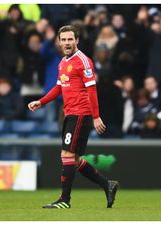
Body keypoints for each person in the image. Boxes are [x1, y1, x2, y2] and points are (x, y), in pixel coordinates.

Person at [28, 25, 119, 209]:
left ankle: (64, 200)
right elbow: (59, 87)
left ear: (77, 40)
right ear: (59, 42)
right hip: (69, 113)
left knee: (66, 155)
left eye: (70, 39)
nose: (67, 43)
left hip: (80, 113)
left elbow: (92, 90)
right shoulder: (63, 62)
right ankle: (107, 184)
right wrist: (42, 101)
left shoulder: (83, 61)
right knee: (74, 160)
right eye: (64, 40)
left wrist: (96, 117)